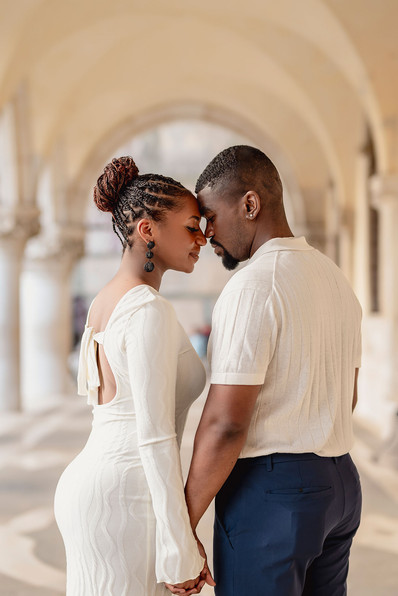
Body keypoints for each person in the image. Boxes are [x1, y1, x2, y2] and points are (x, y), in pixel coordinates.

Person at [185, 145, 362, 595]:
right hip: (340, 483)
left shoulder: (253, 286)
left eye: (210, 216)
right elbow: (351, 394)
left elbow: (226, 423)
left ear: (250, 204)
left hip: (275, 496)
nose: (206, 235)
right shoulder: (335, 278)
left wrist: (181, 522)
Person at [54, 156, 215, 596]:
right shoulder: (147, 310)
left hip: (94, 484)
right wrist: (178, 548)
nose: (201, 238)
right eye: (190, 226)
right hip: (125, 497)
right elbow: (155, 437)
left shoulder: (104, 301)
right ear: (147, 230)